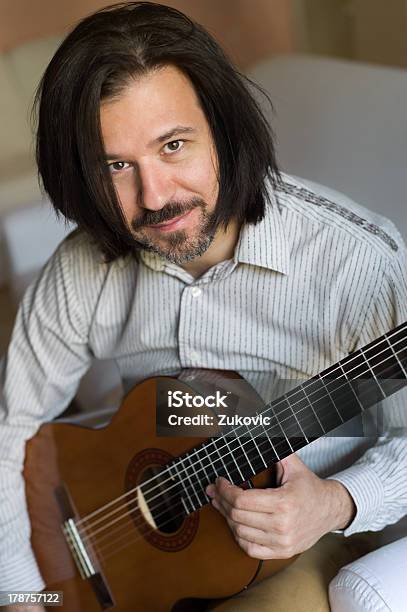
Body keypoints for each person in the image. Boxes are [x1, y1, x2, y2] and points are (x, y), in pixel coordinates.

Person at [0, 2, 406, 611]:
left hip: (292, 547)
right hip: (127, 537)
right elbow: (14, 431)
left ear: (222, 126)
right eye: (117, 165)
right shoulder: (82, 268)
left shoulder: (358, 263)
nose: (155, 195)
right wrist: (28, 597)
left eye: (173, 145)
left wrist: (336, 501)